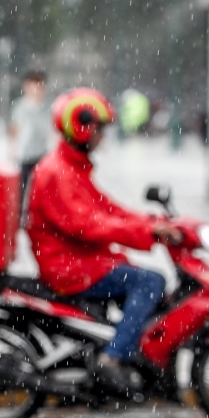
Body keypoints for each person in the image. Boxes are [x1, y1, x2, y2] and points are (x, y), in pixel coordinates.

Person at [26, 88, 182, 393]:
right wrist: (147, 232)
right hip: (69, 267)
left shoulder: (70, 167)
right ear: (82, 127)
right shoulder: (58, 172)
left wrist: (152, 223)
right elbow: (88, 225)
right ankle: (112, 359)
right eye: (100, 129)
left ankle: (126, 353)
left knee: (145, 283)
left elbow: (107, 209)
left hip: (81, 260)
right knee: (149, 282)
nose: (102, 137)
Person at [9, 70, 50, 209]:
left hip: (44, 154)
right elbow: (15, 129)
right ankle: (18, 215)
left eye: (39, 85)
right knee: (22, 188)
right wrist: (13, 148)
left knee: (43, 188)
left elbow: (53, 130)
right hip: (25, 154)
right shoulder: (20, 107)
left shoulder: (48, 107)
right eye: (33, 84)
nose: (36, 88)